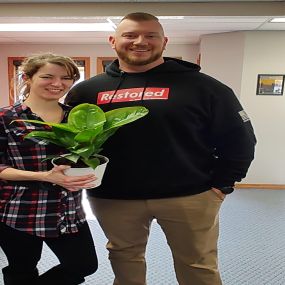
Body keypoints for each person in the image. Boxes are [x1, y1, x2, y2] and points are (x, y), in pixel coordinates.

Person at [65, 12, 256, 285]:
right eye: (130, 35)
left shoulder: (205, 87)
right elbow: (71, 141)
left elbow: (240, 138)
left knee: (198, 265)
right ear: (113, 40)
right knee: (124, 260)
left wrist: (223, 183)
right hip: (114, 197)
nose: (140, 42)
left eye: (150, 35)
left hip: (189, 195)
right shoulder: (87, 91)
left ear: (164, 41)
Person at [0, 53, 99, 285]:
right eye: (47, 76)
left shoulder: (76, 118)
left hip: (67, 209)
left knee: (83, 265)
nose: (58, 84)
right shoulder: (6, 118)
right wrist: (44, 176)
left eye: (66, 78)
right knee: (22, 268)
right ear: (28, 77)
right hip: (19, 210)